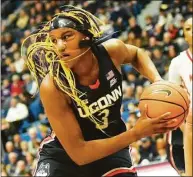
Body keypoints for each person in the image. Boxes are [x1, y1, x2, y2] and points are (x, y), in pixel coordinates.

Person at [21, 5, 178, 177]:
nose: (59, 47)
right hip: (64, 159)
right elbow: (80, 154)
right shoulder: (53, 85)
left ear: (86, 36)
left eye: (67, 36)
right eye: (54, 40)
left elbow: (136, 54)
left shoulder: (112, 51)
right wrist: (136, 133)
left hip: (111, 146)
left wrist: (158, 80)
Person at [168, 17, 192, 176]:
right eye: (188, 28)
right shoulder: (178, 63)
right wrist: (187, 129)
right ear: (184, 35)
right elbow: (175, 103)